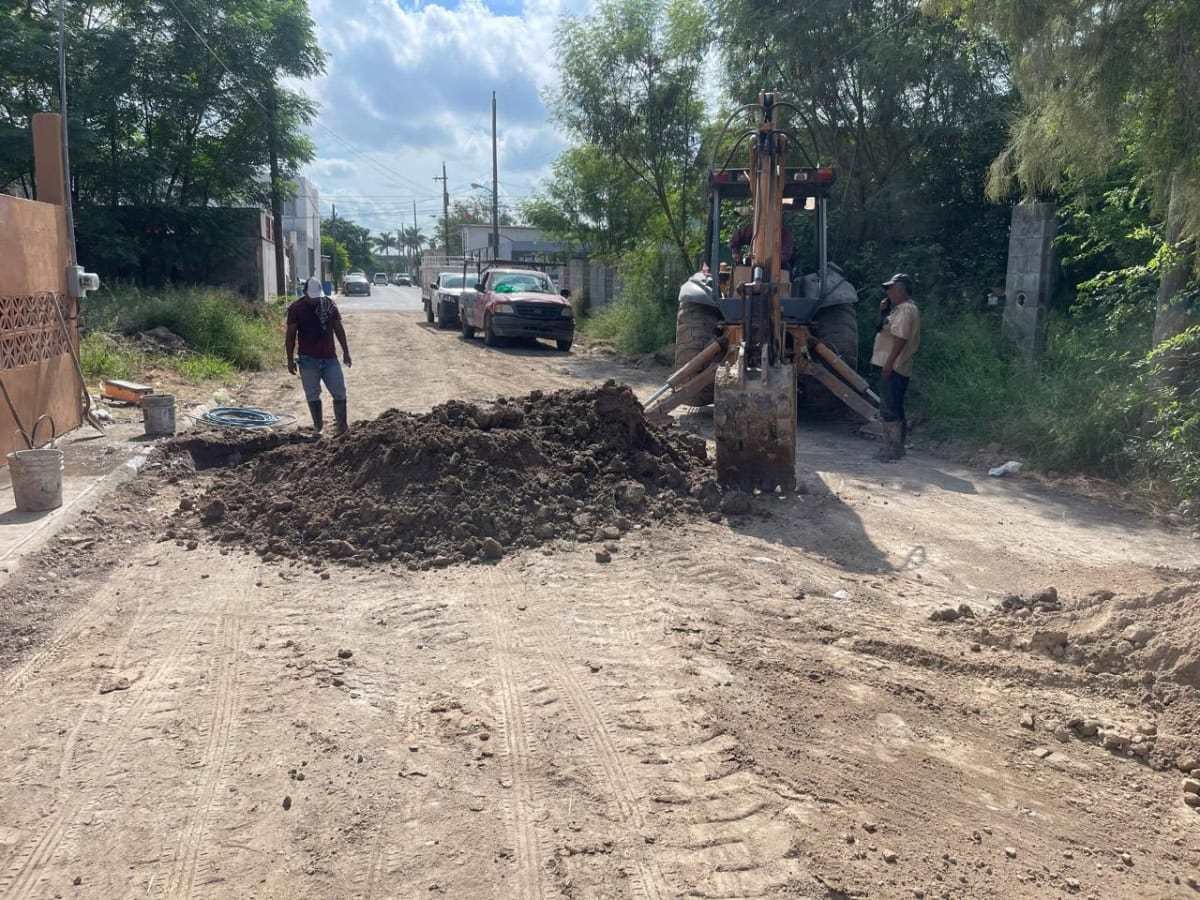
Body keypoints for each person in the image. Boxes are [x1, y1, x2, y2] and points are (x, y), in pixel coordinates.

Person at [286, 276, 352, 434]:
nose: (315, 301)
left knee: (339, 391)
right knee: (312, 394)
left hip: (329, 358)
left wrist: (346, 352)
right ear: (305, 293)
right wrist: (289, 359)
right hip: (308, 359)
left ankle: (342, 427)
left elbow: (338, 329)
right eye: (311, 297)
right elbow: (290, 336)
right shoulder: (296, 308)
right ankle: (318, 427)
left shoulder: (329, 305)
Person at [871, 273, 920, 461]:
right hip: (893, 364)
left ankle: (892, 448)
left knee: (890, 407)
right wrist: (883, 312)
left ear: (901, 290)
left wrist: (889, 363)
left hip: (894, 365)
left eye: (891, 288)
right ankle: (896, 447)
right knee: (894, 406)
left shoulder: (906, 309)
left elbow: (901, 338)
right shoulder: (897, 309)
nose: (888, 292)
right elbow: (882, 328)